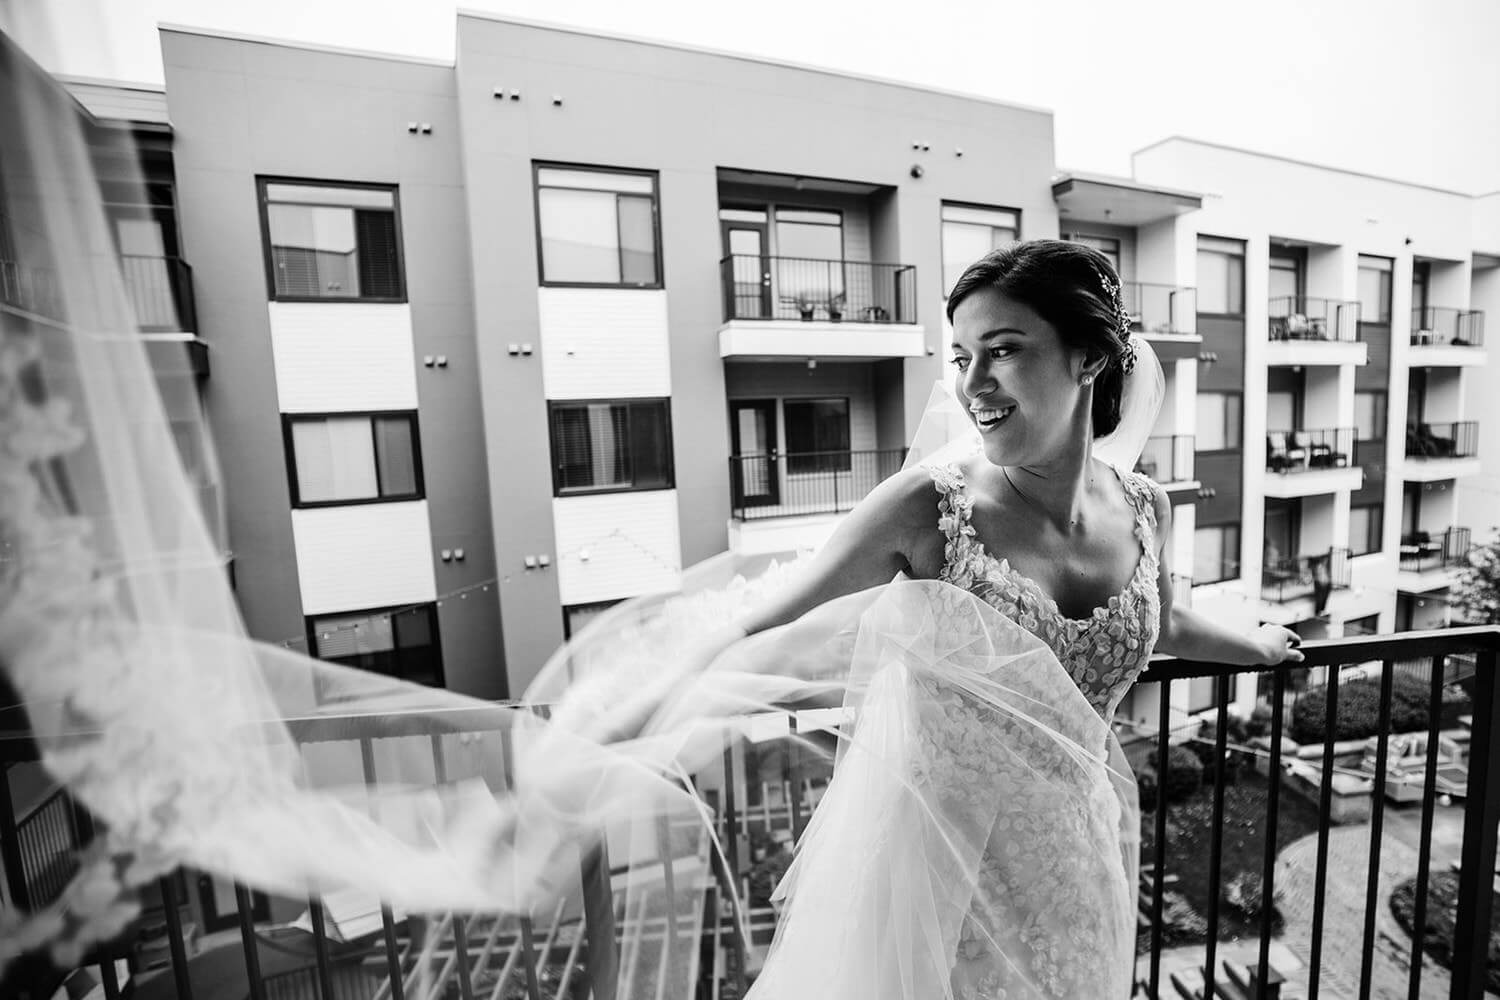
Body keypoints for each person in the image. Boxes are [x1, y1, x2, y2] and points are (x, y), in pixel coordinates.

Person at [604, 239, 1305, 999]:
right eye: (963, 355)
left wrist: (1260, 647)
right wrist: (623, 713)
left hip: (1076, 861)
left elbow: (1165, 625)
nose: (974, 383)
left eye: (1002, 350)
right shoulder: (929, 509)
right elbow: (760, 625)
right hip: (940, 877)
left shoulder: (1144, 508)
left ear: (1090, 357)